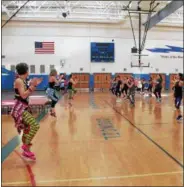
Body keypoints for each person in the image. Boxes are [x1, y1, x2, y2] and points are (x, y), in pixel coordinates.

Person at [11, 63, 42, 161]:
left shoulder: (22, 80)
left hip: (23, 107)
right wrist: (32, 86)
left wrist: (33, 85)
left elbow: (26, 93)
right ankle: (25, 146)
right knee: (35, 125)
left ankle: (26, 151)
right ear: (26, 71)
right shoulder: (19, 81)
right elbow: (24, 95)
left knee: (27, 129)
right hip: (19, 109)